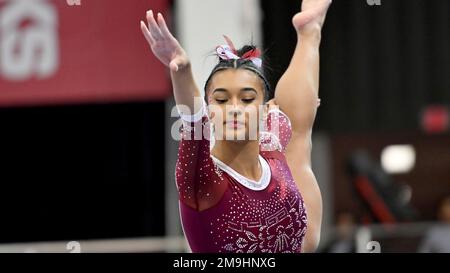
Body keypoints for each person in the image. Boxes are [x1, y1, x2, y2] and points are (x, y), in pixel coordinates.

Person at [140, 0, 331, 253]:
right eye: (221, 100)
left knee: (294, 129)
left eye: (247, 99)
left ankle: (310, 32)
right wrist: (182, 70)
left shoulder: (270, 142)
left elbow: (293, 113)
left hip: (292, 237)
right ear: (209, 110)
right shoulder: (203, 180)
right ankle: (309, 34)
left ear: (264, 110)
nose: (234, 108)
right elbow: (194, 122)